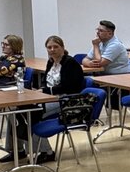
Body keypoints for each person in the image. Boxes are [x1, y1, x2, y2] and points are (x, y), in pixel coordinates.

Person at [5, 35, 86, 164]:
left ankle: (46, 152)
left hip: (66, 99)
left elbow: (69, 87)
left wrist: (45, 91)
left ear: (62, 47)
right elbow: (45, 82)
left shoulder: (70, 63)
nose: (52, 50)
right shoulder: (51, 61)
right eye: (49, 47)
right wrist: (40, 91)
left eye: (55, 47)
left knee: (30, 113)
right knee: (13, 112)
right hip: (48, 97)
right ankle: (17, 150)